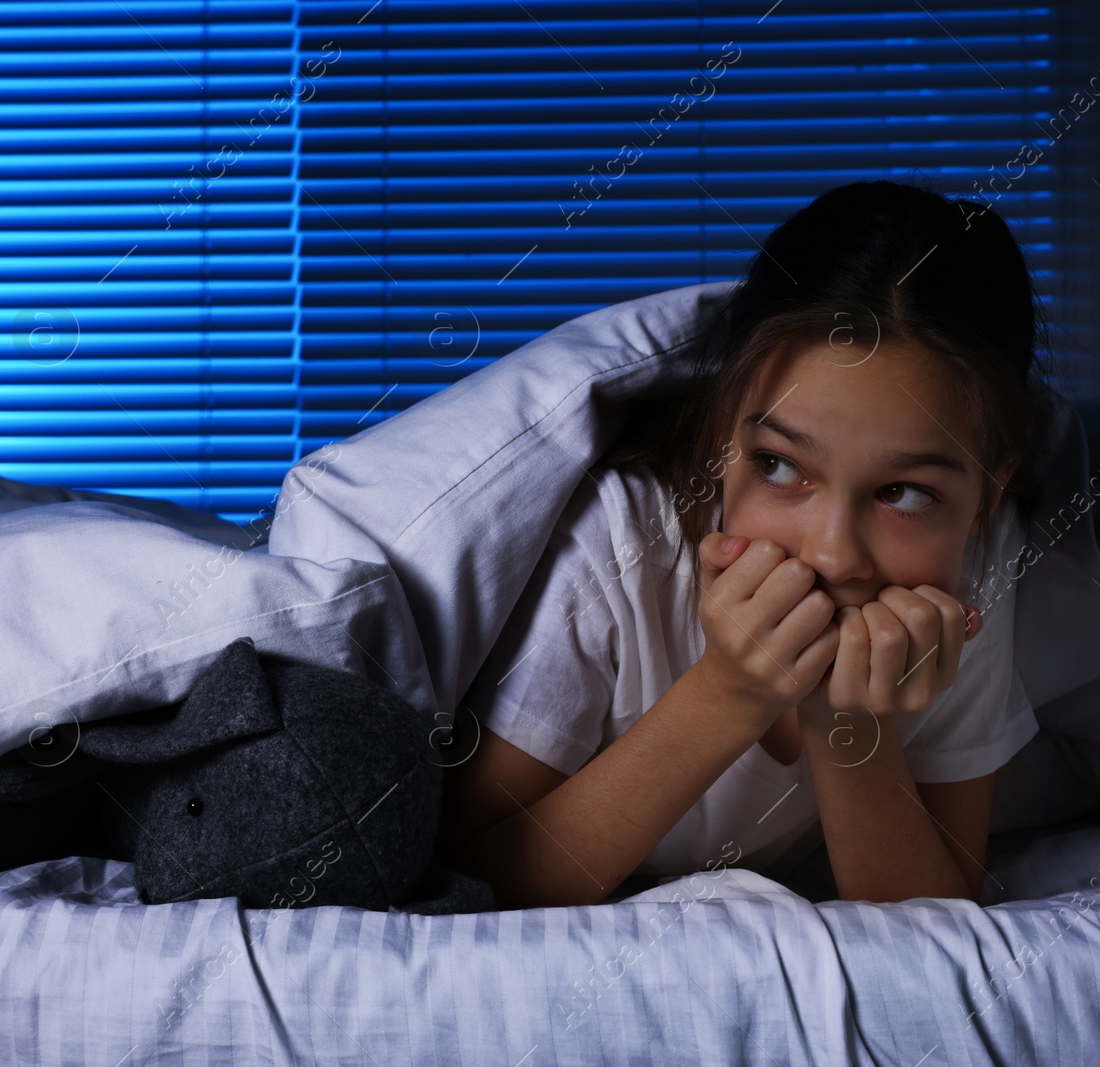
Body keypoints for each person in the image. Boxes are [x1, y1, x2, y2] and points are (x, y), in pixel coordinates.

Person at [436, 179, 1048, 909]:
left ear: (986, 498)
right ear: (724, 435)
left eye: (902, 493)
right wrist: (730, 692)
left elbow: (931, 920)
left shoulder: (966, 575)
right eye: (779, 466)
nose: (830, 554)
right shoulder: (615, 549)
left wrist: (848, 722)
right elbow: (476, 878)